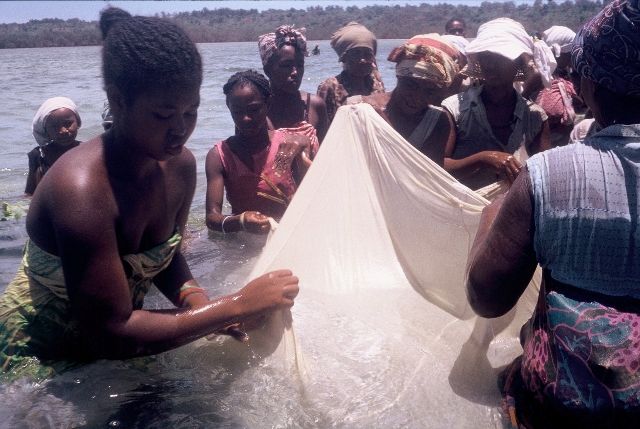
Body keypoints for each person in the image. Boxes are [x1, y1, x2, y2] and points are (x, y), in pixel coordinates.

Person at [0, 7, 299, 379]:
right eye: (163, 115)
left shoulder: (180, 166)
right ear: (118, 100)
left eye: (191, 113)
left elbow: (163, 255)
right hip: (37, 358)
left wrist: (200, 306)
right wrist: (235, 305)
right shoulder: (80, 190)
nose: (180, 130)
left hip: (129, 340)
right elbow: (111, 334)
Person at [466, 1, 640, 426]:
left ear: (589, 84)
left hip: (564, 409)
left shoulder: (549, 174)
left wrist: (493, 214)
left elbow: (487, 298)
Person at [441, 18, 554, 191]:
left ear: (518, 63)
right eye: (486, 56)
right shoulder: (455, 108)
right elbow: (438, 166)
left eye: (502, 57)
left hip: (514, 213)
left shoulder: (535, 117)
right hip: (463, 210)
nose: (492, 64)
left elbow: (546, 176)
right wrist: (483, 159)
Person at [205, 70, 313, 234]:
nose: (246, 118)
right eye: (237, 112)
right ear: (229, 108)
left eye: (254, 109)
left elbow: (313, 197)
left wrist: (304, 146)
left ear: (268, 103)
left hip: (288, 235)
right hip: (244, 240)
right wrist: (241, 221)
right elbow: (212, 218)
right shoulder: (220, 156)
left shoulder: (288, 146)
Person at [356, 34, 463, 167]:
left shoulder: (437, 121)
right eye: (411, 85)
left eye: (430, 91)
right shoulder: (358, 109)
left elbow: (430, 174)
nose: (418, 96)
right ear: (399, 77)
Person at [258, 25, 329, 147]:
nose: (295, 72)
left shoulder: (315, 106)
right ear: (267, 70)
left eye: (300, 65)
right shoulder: (256, 110)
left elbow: (327, 155)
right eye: (286, 65)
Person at [317, 22, 386, 124]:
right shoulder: (330, 86)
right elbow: (322, 126)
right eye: (356, 54)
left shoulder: (377, 85)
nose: (362, 60)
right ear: (344, 57)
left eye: (367, 54)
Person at [531, 26, 584, 147]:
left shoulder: (560, 74)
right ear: (558, 52)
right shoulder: (539, 74)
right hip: (543, 142)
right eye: (570, 53)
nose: (572, 57)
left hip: (562, 141)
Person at [25, 97, 82, 196]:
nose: (63, 130)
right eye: (54, 126)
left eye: (68, 123)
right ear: (45, 130)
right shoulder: (39, 156)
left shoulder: (88, 151)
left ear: (77, 122)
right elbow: (30, 193)